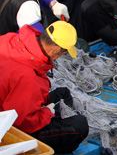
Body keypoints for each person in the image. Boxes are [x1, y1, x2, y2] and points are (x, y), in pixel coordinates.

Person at [0, 21, 89, 154]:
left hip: (8, 100)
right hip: (10, 127)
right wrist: (47, 113)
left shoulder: (9, 39)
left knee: (63, 94)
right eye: (63, 53)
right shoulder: (29, 77)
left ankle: (56, 121)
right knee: (80, 125)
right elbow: (22, 123)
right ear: (56, 50)